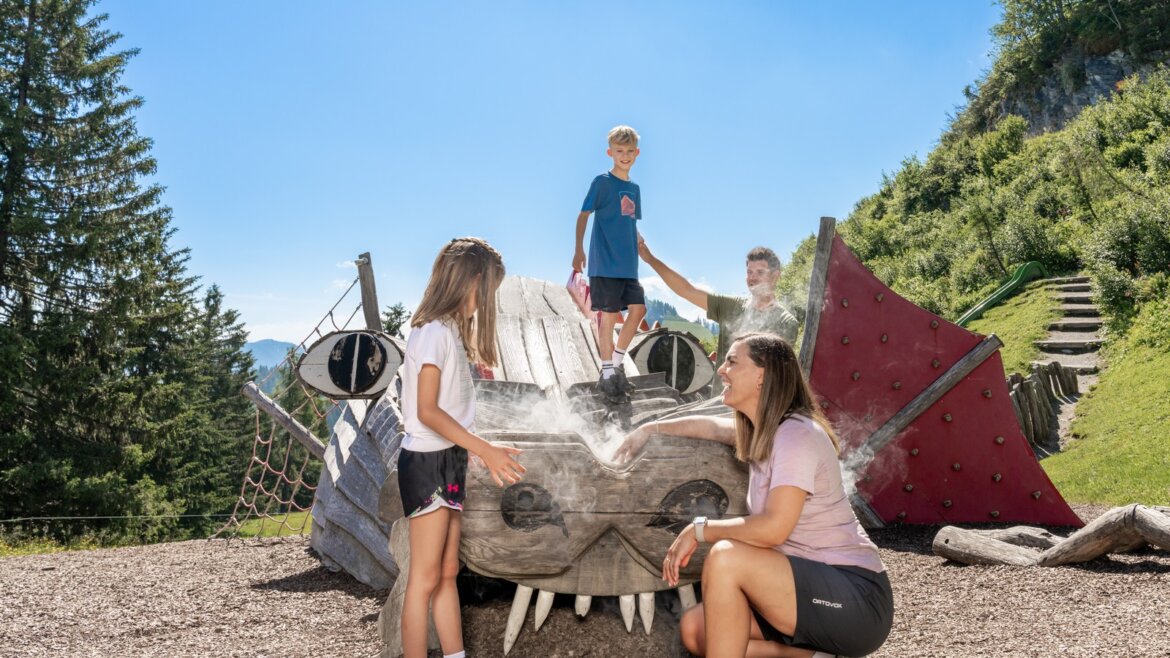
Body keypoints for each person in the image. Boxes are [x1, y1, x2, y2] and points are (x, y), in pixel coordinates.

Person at [612, 333, 893, 658]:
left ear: (762, 376)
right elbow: (710, 428)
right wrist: (648, 429)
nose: (721, 370)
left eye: (732, 361)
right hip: (799, 589)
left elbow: (775, 529)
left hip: (854, 598)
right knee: (696, 629)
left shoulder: (797, 435)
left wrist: (699, 529)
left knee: (726, 557)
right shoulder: (765, 433)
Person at [398, 237, 528, 658]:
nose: (490, 300)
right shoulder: (432, 332)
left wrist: (476, 448)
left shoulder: (453, 332)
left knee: (448, 572)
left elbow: (452, 411)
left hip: (449, 459)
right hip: (426, 462)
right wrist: (484, 449)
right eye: (490, 289)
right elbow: (428, 411)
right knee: (423, 578)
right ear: (472, 282)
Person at [638, 242, 798, 391]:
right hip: (719, 402)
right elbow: (686, 290)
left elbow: (773, 373)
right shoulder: (731, 307)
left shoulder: (785, 321)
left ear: (775, 276)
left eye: (760, 272)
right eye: (749, 272)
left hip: (756, 408)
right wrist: (650, 259)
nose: (752, 278)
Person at [573, 125, 648, 404]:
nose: (625, 155)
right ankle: (606, 372)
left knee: (639, 310)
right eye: (619, 151)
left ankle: (616, 362)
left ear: (637, 153)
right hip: (604, 264)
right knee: (609, 315)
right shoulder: (601, 183)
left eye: (629, 151)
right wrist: (578, 249)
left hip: (629, 266)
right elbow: (583, 215)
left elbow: (629, 220)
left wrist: (638, 240)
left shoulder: (634, 189)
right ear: (610, 152)